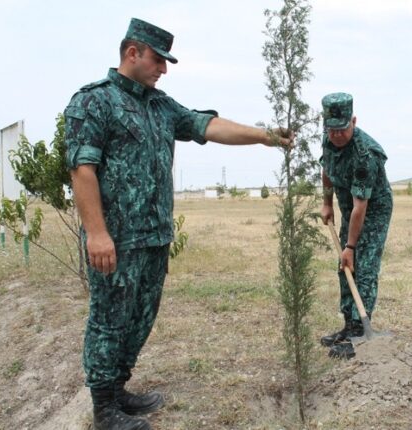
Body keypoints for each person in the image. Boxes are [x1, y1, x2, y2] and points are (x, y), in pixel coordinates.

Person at [64, 18, 292, 430]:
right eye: (158, 60)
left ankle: (118, 388)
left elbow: (208, 126)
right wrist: (96, 233)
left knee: (141, 317)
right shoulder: (94, 102)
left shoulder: (161, 106)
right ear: (132, 53)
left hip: (154, 237)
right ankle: (104, 407)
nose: (163, 70)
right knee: (109, 319)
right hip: (116, 239)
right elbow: (82, 169)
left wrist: (265, 136)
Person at [318, 92, 393, 359]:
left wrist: (350, 246)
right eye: (332, 130)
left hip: (373, 210)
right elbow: (327, 169)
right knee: (345, 267)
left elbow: (361, 206)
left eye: (343, 129)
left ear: (354, 121)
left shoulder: (366, 154)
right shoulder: (328, 138)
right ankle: (349, 326)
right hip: (349, 207)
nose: (337, 136)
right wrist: (327, 203)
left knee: (364, 267)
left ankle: (361, 331)